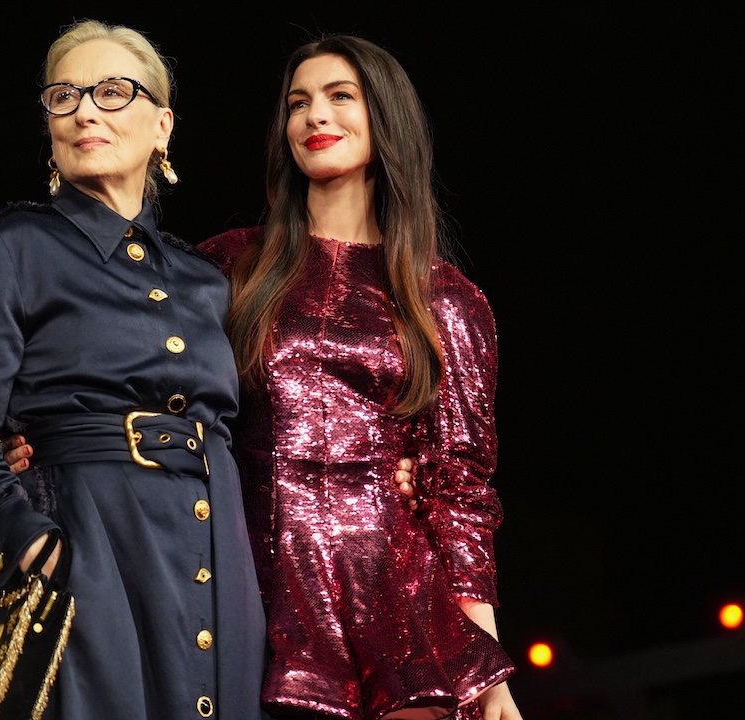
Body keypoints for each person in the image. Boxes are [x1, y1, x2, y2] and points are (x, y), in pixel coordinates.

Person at [0, 20, 265, 720]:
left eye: (109, 91)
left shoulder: (208, 281)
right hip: (91, 554)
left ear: (162, 125)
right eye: (63, 96)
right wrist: (36, 544)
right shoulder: (12, 247)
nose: (84, 112)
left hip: (219, 561)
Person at [197, 36, 523, 720]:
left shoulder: (447, 299)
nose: (315, 116)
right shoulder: (226, 268)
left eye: (340, 97)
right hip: (248, 591)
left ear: (385, 119)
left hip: (399, 610)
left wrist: (490, 674)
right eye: (298, 103)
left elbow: (459, 492)